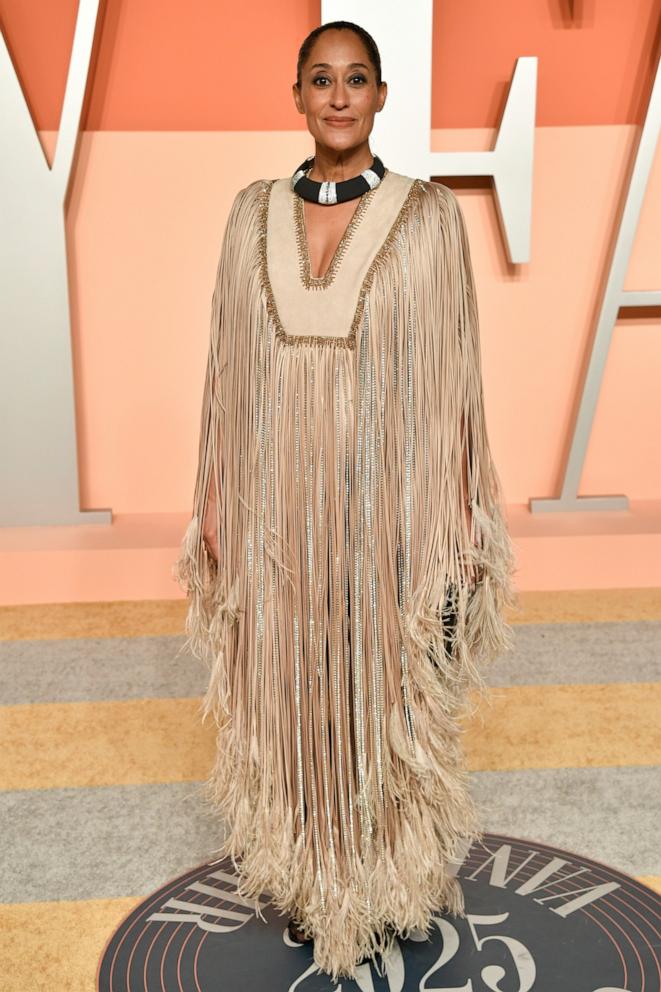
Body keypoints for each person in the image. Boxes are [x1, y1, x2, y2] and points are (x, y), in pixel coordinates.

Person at [173, 19, 517, 983]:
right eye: (319, 79)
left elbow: (456, 383)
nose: (336, 95)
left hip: (384, 509)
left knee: (381, 684)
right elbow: (225, 375)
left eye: (354, 78)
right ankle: (301, 867)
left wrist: (454, 516)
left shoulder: (428, 214)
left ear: (379, 97)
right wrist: (215, 500)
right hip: (278, 508)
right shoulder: (250, 214)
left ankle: (385, 880)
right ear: (295, 96)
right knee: (287, 678)